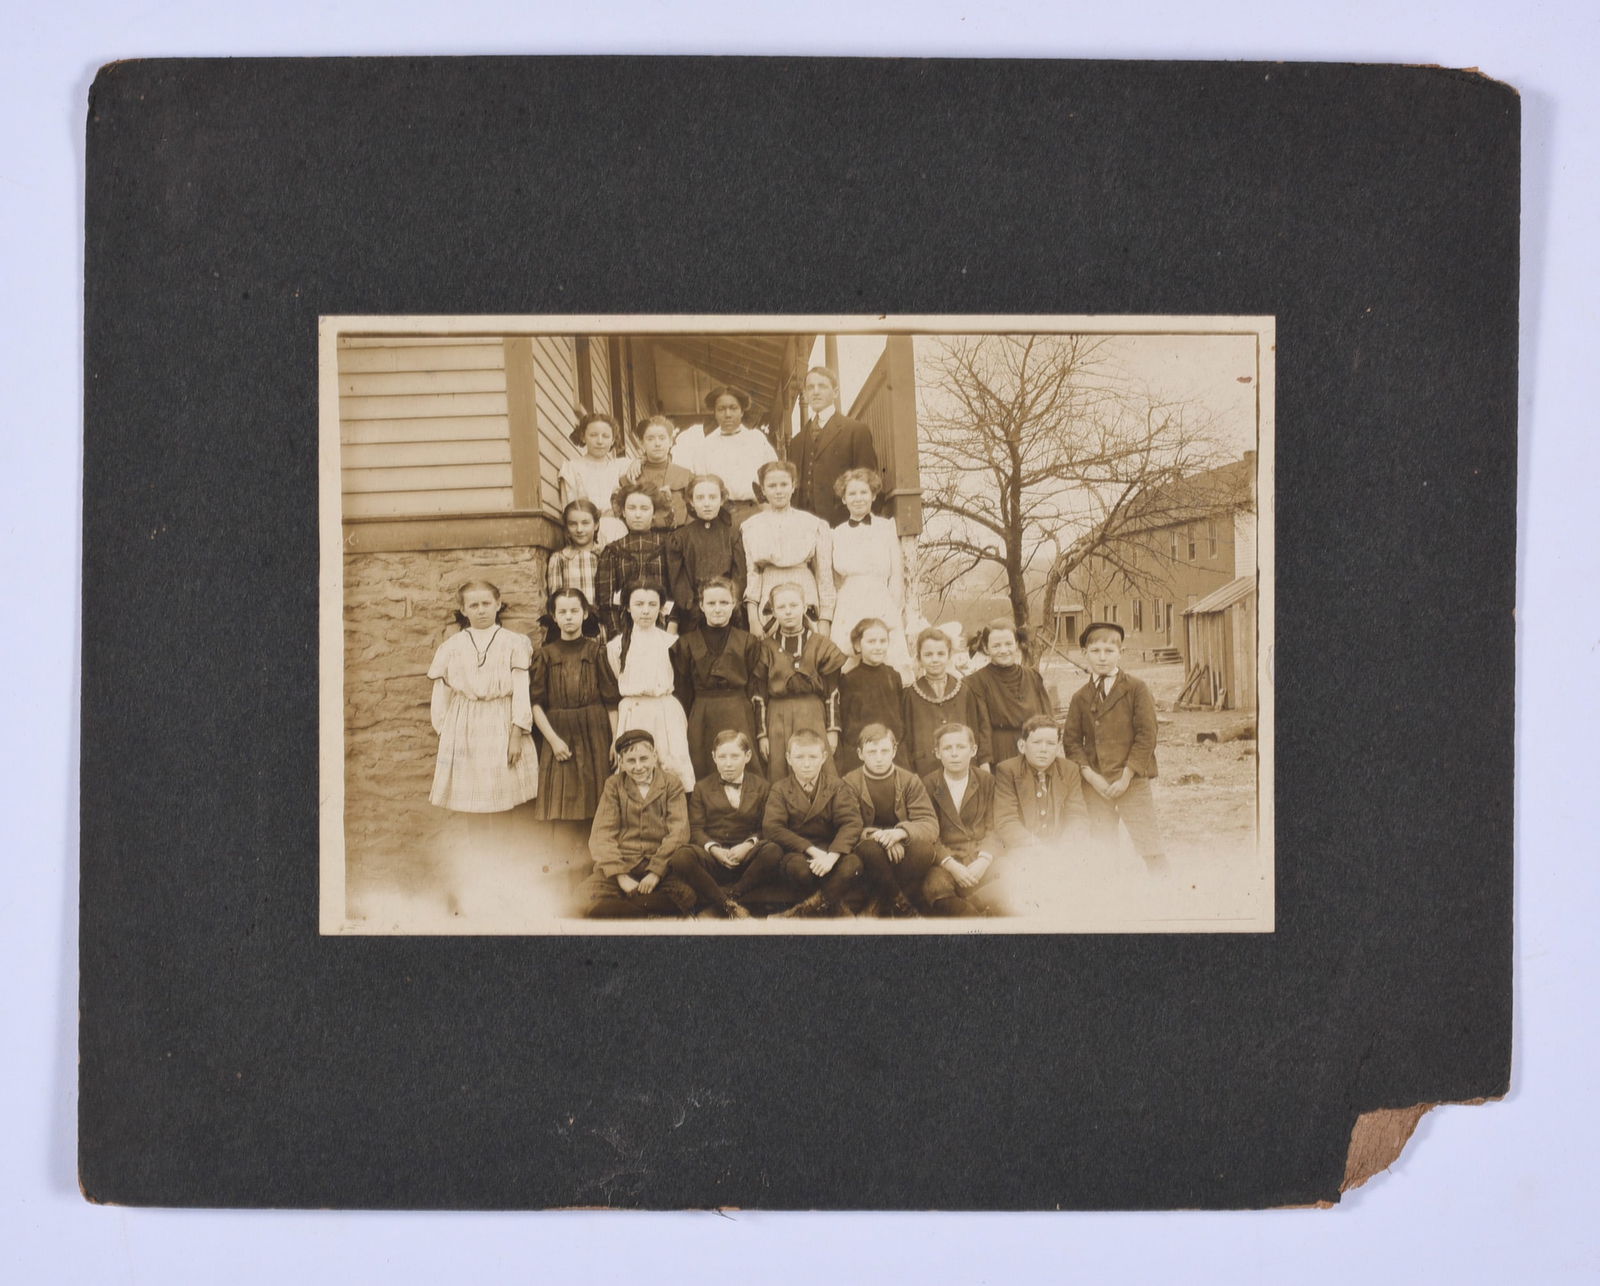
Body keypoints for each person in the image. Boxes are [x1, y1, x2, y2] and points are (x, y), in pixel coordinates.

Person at [1061, 621, 1168, 874]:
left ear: (1121, 652)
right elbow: (1071, 742)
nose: (1102, 657)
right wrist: (1091, 776)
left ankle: (1164, 886)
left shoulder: (1136, 688)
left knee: (1149, 842)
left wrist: (1127, 775)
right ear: (1084, 653)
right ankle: (1109, 891)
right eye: (1095, 651)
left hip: (1132, 778)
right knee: (1102, 845)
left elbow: (1147, 735)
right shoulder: (1080, 697)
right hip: (1096, 782)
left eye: (1109, 651)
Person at [427, 579, 539, 814]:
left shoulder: (513, 642)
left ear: (498, 604)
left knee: (501, 791)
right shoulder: (451, 647)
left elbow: (521, 690)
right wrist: (445, 732)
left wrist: (516, 734)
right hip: (464, 726)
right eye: (474, 605)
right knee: (470, 797)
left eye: (486, 604)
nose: (481, 610)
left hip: (501, 722)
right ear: (463, 610)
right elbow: (441, 696)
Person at [528, 588, 618, 872]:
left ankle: (596, 876)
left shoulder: (596, 651)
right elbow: (535, 704)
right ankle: (564, 877)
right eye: (562, 612)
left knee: (597, 804)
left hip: (595, 734)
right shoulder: (545, 655)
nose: (569, 617)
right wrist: (553, 741)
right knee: (563, 805)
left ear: (585, 614)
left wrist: (614, 741)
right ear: (554, 617)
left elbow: (611, 702)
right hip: (559, 734)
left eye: (574, 611)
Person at [580, 730, 696, 919]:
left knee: (684, 895)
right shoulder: (614, 785)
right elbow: (602, 834)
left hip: (661, 866)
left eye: (644, 759)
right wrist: (621, 877)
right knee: (584, 896)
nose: (638, 766)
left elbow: (679, 832)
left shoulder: (671, 784)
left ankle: (629, 908)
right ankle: (639, 907)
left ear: (654, 757)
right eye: (631, 761)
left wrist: (656, 873)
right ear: (622, 762)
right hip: (623, 863)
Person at [666, 731, 778, 919]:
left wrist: (747, 845)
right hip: (714, 859)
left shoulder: (762, 787)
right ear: (714, 757)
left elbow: (767, 826)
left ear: (747, 756)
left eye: (735, 756)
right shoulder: (702, 787)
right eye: (722, 757)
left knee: (773, 850)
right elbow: (696, 829)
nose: (728, 763)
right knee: (681, 857)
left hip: (748, 859)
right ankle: (727, 904)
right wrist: (714, 849)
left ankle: (730, 896)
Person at [992, 715, 1090, 913]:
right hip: (1023, 848)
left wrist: (1066, 845)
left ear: (1058, 747)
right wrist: (1037, 847)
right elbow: (1006, 820)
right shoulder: (1007, 770)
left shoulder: (1069, 770)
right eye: (1037, 742)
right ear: (1022, 746)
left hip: (1061, 846)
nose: (1044, 749)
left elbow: (1078, 815)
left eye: (1050, 743)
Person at [673, 578, 769, 780]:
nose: (717, 609)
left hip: (739, 713)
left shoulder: (748, 642)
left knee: (742, 766)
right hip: (701, 716)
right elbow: (683, 690)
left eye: (724, 602)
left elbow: (755, 686)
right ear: (702, 606)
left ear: (734, 604)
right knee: (703, 768)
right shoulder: (686, 644)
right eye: (711, 603)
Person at [763, 729, 864, 919]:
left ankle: (803, 911)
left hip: (831, 851)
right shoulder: (780, 789)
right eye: (799, 757)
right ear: (789, 758)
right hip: (797, 853)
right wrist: (812, 851)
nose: (807, 764)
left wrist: (831, 857)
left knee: (853, 864)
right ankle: (834, 908)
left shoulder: (836, 786)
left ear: (824, 757)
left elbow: (851, 823)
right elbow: (773, 828)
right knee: (800, 870)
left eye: (813, 757)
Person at [606, 583, 696, 793]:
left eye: (652, 604)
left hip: (665, 713)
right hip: (634, 712)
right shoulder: (616, 646)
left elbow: (681, 682)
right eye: (639, 604)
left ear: (661, 608)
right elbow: (615, 679)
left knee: (671, 766)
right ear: (628, 607)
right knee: (638, 768)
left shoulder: (671, 642)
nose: (645, 610)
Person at [841, 724, 939, 916]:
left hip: (902, 848)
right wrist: (882, 838)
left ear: (894, 751)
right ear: (860, 754)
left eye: (884, 751)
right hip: (868, 849)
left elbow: (929, 824)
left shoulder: (910, 780)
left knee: (925, 850)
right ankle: (901, 906)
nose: (879, 758)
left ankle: (879, 904)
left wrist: (900, 833)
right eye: (872, 752)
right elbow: (847, 825)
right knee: (870, 850)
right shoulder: (850, 782)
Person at [757, 582, 846, 780]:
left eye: (793, 605)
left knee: (818, 772)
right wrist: (762, 734)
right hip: (778, 718)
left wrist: (832, 729)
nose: (788, 611)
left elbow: (832, 692)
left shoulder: (821, 645)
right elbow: (759, 695)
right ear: (774, 611)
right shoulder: (765, 648)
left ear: (804, 607)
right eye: (781, 607)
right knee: (780, 774)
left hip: (813, 715)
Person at [828, 467, 911, 671]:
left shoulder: (886, 527)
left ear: (873, 496)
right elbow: (836, 578)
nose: (858, 498)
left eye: (863, 492)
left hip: (879, 599)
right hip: (849, 602)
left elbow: (896, 572)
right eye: (852, 494)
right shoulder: (837, 533)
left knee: (885, 655)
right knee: (849, 660)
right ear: (844, 499)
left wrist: (895, 608)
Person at [920, 722, 1005, 916]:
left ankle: (977, 908)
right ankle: (972, 917)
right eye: (947, 748)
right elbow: (928, 834)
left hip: (980, 856)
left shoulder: (987, 781)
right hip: (947, 861)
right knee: (935, 888)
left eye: (960, 747)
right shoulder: (928, 784)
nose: (954, 754)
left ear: (973, 750)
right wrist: (950, 865)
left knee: (1010, 874)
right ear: (937, 753)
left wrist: (984, 859)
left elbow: (995, 827)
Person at [741, 459, 835, 632]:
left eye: (784, 484)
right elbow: (752, 574)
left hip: (806, 593)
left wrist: (825, 619)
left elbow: (824, 576)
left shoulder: (813, 524)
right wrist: (753, 619)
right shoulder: (752, 526)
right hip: (769, 594)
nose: (778, 491)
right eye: (772, 486)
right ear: (763, 490)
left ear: (793, 486)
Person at [671, 385, 777, 527]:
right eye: (721, 409)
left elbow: (774, 476)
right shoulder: (705, 446)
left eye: (733, 408)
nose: (727, 414)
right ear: (714, 413)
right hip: (719, 516)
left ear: (742, 411)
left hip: (754, 513)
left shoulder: (757, 440)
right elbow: (700, 484)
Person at [792, 365, 879, 527]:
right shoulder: (796, 441)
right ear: (805, 394)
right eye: (810, 387)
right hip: (804, 529)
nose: (815, 392)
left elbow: (868, 483)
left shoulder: (856, 431)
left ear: (835, 392)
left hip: (843, 525)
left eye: (822, 386)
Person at [901, 627, 992, 777]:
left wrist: (982, 762)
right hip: (925, 770)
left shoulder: (964, 690)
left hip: (962, 768)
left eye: (940, 654)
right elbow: (906, 737)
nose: (935, 659)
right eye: (928, 655)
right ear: (919, 658)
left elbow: (976, 728)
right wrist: (911, 772)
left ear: (949, 655)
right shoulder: (910, 695)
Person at [965, 620, 1056, 768]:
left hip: (1034, 752)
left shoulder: (1033, 677)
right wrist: (984, 765)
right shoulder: (976, 682)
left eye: (1008, 644)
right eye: (996, 646)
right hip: (999, 756)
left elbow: (1048, 720)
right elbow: (981, 728)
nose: (1003, 650)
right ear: (986, 648)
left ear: (1017, 644)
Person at [594, 482, 675, 637]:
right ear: (623, 512)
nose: (638, 514)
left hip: (662, 630)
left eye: (644, 508)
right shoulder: (613, 551)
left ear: (654, 512)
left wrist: (668, 631)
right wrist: (618, 636)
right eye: (631, 508)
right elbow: (606, 600)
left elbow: (675, 593)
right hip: (624, 630)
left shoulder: (668, 548)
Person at [667, 474, 748, 630]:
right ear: (691, 501)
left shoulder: (732, 535)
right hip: (692, 615)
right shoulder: (680, 537)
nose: (707, 504)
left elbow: (739, 577)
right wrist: (693, 607)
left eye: (712, 497)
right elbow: (679, 581)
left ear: (722, 500)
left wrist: (729, 604)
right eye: (700, 498)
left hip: (727, 612)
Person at [835, 618, 907, 777]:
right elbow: (846, 720)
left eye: (883, 641)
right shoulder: (850, 679)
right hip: (862, 752)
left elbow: (899, 714)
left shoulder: (893, 676)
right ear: (857, 646)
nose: (878, 647)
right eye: (871, 642)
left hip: (892, 750)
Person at [557, 412, 630, 544]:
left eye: (606, 436)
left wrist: (641, 460)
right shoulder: (572, 468)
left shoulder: (619, 467)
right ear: (583, 437)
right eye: (593, 435)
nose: (600, 441)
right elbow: (569, 507)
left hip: (616, 530)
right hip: (584, 531)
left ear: (613, 440)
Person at [624, 414, 694, 529]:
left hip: (679, 535)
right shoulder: (631, 476)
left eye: (662, 438)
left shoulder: (685, 476)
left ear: (670, 441)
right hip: (640, 536)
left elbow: (694, 512)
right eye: (650, 439)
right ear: (641, 443)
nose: (657, 444)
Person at [546, 499, 605, 620]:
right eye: (573, 524)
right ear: (567, 529)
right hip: (572, 623)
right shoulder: (560, 559)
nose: (579, 529)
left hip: (602, 623)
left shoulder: (606, 556)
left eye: (585, 523)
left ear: (596, 525)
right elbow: (556, 601)